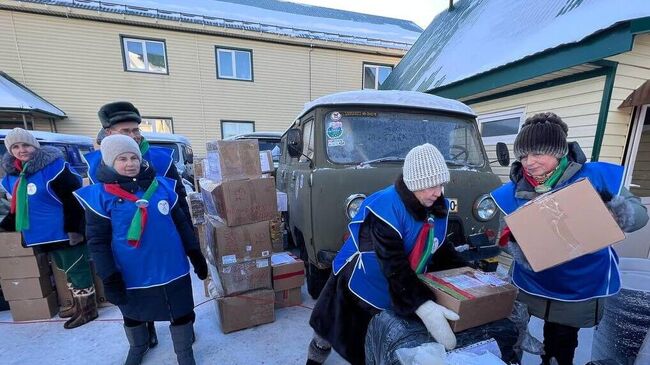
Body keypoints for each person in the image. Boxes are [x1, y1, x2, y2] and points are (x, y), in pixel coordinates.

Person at [491, 112, 649, 365]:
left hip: (578, 283)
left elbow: (640, 216)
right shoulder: (513, 190)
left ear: (559, 152)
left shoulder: (594, 177)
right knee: (512, 335)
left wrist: (615, 212)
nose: (528, 162)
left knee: (561, 345)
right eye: (522, 155)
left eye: (537, 154)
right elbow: (504, 235)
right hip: (530, 282)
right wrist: (520, 247)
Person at [306, 143, 468, 365]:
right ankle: (313, 360)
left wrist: (470, 274)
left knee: (373, 345)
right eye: (431, 185)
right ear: (414, 184)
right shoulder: (385, 209)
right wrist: (422, 305)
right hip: (357, 282)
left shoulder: (435, 206)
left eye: (441, 184)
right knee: (329, 331)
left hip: (396, 285)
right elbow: (394, 264)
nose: (438, 192)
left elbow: (439, 249)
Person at [74, 135, 207, 365]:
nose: (130, 163)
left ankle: (185, 353)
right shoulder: (100, 197)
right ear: (108, 163)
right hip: (132, 273)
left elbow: (182, 224)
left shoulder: (163, 187)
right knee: (133, 314)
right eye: (122, 159)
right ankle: (138, 345)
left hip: (172, 267)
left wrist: (195, 254)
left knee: (181, 311)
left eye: (134, 157)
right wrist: (109, 276)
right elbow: (98, 242)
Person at [84, 101, 192, 346]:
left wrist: (189, 240)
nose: (134, 135)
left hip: (163, 242)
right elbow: (99, 214)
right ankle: (145, 335)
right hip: (128, 249)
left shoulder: (161, 159)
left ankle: (184, 332)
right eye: (126, 131)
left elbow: (179, 201)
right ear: (108, 133)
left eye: (136, 129)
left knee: (175, 292)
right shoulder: (95, 165)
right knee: (136, 292)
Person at [0, 128, 97, 329]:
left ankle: (88, 309)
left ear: (35, 145)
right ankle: (77, 304)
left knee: (77, 268)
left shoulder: (55, 168)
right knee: (64, 269)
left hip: (63, 230)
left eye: (25, 145)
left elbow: (73, 200)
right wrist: (7, 224)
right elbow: (19, 206)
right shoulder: (13, 176)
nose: (21, 150)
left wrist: (75, 229)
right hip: (40, 233)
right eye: (15, 147)